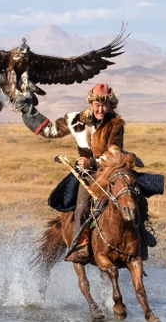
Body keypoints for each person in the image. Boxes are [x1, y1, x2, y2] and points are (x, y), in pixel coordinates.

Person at [14, 82, 125, 262]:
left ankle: (141, 237)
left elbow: (114, 153)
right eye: (98, 104)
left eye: (105, 105)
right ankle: (80, 246)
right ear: (91, 103)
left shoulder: (115, 123)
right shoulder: (75, 119)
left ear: (110, 105)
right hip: (88, 174)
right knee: (81, 206)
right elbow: (50, 130)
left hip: (110, 169)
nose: (101, 109)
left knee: (134, 195)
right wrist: (28, 110)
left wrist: (92, 161)